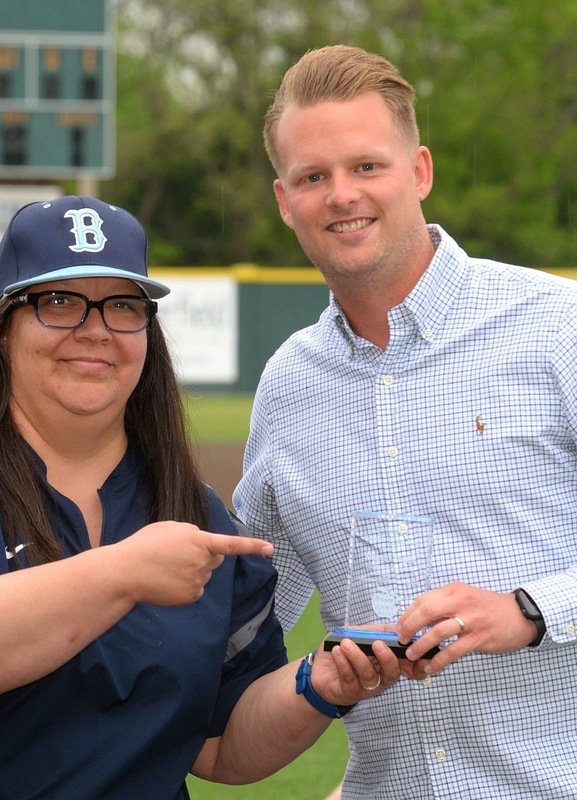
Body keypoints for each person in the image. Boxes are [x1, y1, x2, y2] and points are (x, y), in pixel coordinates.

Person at [0, 195, 397, 800]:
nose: (95, 329)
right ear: (3, 329)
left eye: (122, 306)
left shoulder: (191, 512)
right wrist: (126, 571)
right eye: (59, 302)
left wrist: (321, 682)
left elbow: (223, 744)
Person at [234, 44, 577, 799]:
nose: (340, 195)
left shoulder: (556, 326)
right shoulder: (288, 387)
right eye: (311, 177)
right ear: (283, 199)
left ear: (418, 171)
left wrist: (528, 609)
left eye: (366, 166)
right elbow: (244, 626)